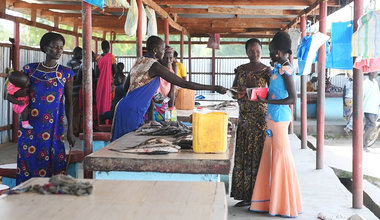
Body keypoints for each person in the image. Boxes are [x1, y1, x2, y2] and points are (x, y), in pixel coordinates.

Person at [111, 36, 227, 141]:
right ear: (156, 51)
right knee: (128, 145)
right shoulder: (155, 66)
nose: (163, 53)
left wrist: (149, 98)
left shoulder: (139, 61)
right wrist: (213, 87)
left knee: (118, 144)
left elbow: (127, 87)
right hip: (134, 111)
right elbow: (184, 83)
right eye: (162, 50)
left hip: (122, 107)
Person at [249, 31, 303, 217]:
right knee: (271, 156)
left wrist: (268, 102)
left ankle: (284, 205)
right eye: (272, 52)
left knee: (281, 156)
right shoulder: (279, 67)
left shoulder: (286, 69)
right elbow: (276, 92)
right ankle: (268, 202)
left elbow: (293, 99)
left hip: (280, 117)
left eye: (274, 52)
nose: (272, 55)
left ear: (283, 52)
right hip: (272, 116)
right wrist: (264, 95)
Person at [16, 32, 75, 185]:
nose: (59, 50)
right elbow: (16, 93)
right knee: (29, 163)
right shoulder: (30, 70)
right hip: (30, 126)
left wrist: (71, 130)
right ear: (45, 48)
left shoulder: (65, 73)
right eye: (55, 47)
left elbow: (69, 102)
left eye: (61, 47)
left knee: (54, 164)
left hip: (54, 128)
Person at [230, 38, 271, 207]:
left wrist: (253, 91)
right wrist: (240, 92)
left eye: (257, 51)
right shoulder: (240, 70)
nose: (254, 54)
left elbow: (273, 94)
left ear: (262, 51)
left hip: (260, 119)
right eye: (251, 51)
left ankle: (259, 196)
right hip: (245, 119)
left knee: (258, 157)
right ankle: (246, 195)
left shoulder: (267, 71)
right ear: (246, 52)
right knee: (244, 156)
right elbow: (233, 92)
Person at [151, 45, 177, 121]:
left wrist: (170, 109)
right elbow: (154, 95)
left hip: (167, 102)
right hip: (154, 104)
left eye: (171, 58)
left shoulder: (174, 67)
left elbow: (172, 92)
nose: (168, 60)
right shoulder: (156, 67)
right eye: (165, 58)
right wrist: (164, 102)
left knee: (172, 120)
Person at [95, 40, 117, 125]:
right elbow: (115, 70)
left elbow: (96, 73)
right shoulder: (111, 57)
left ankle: (100, 122)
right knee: (110, 102)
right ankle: (108, 122)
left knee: (100, 101)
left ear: (101, 47)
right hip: (110, 83)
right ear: (109, 47)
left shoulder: (98, 58)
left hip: (100, 83)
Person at [67, 46, 82, 136]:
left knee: (79, 111)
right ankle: (74, 130)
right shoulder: (70, 63)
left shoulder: (80, 63)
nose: (81, 55)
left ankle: (78, 128)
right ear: (75, 54)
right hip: (73, 91)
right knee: (74, 111)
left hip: (79, 91)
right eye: (80, 53)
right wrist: (79, 75)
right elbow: (70, 78)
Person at [363, 71, 380, 152]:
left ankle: (363, 144)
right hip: (367, 108)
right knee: (372, 125)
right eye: (375, 72)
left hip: (375, 108)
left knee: (368, 127)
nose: (376, 74)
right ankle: (364, 145)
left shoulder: (375, 83)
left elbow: (377, 95)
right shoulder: (365, 83)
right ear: (370, 73)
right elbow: (362, 95)